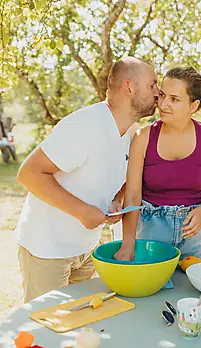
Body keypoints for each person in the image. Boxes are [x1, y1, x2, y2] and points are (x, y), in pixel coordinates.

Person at [15, 57, 160, 302]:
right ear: (129, 87)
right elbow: (29, 173)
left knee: (77, 330)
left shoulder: (133, 134)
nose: (159, 93)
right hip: (47, 249)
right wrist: (83, 211)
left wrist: (116, 200)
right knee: (45, 333)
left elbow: (122, 179)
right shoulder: (85, 125)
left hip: (86, 251)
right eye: (152, 85)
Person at [114, 66, 201, 262]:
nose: (164, 104)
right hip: (151, 233)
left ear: (193, 105)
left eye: (174, 99)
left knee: (195, 291)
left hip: (194, 236)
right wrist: (128, 244)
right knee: (151, 291)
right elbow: (132, 195)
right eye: (163, 95)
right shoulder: (143, 138)